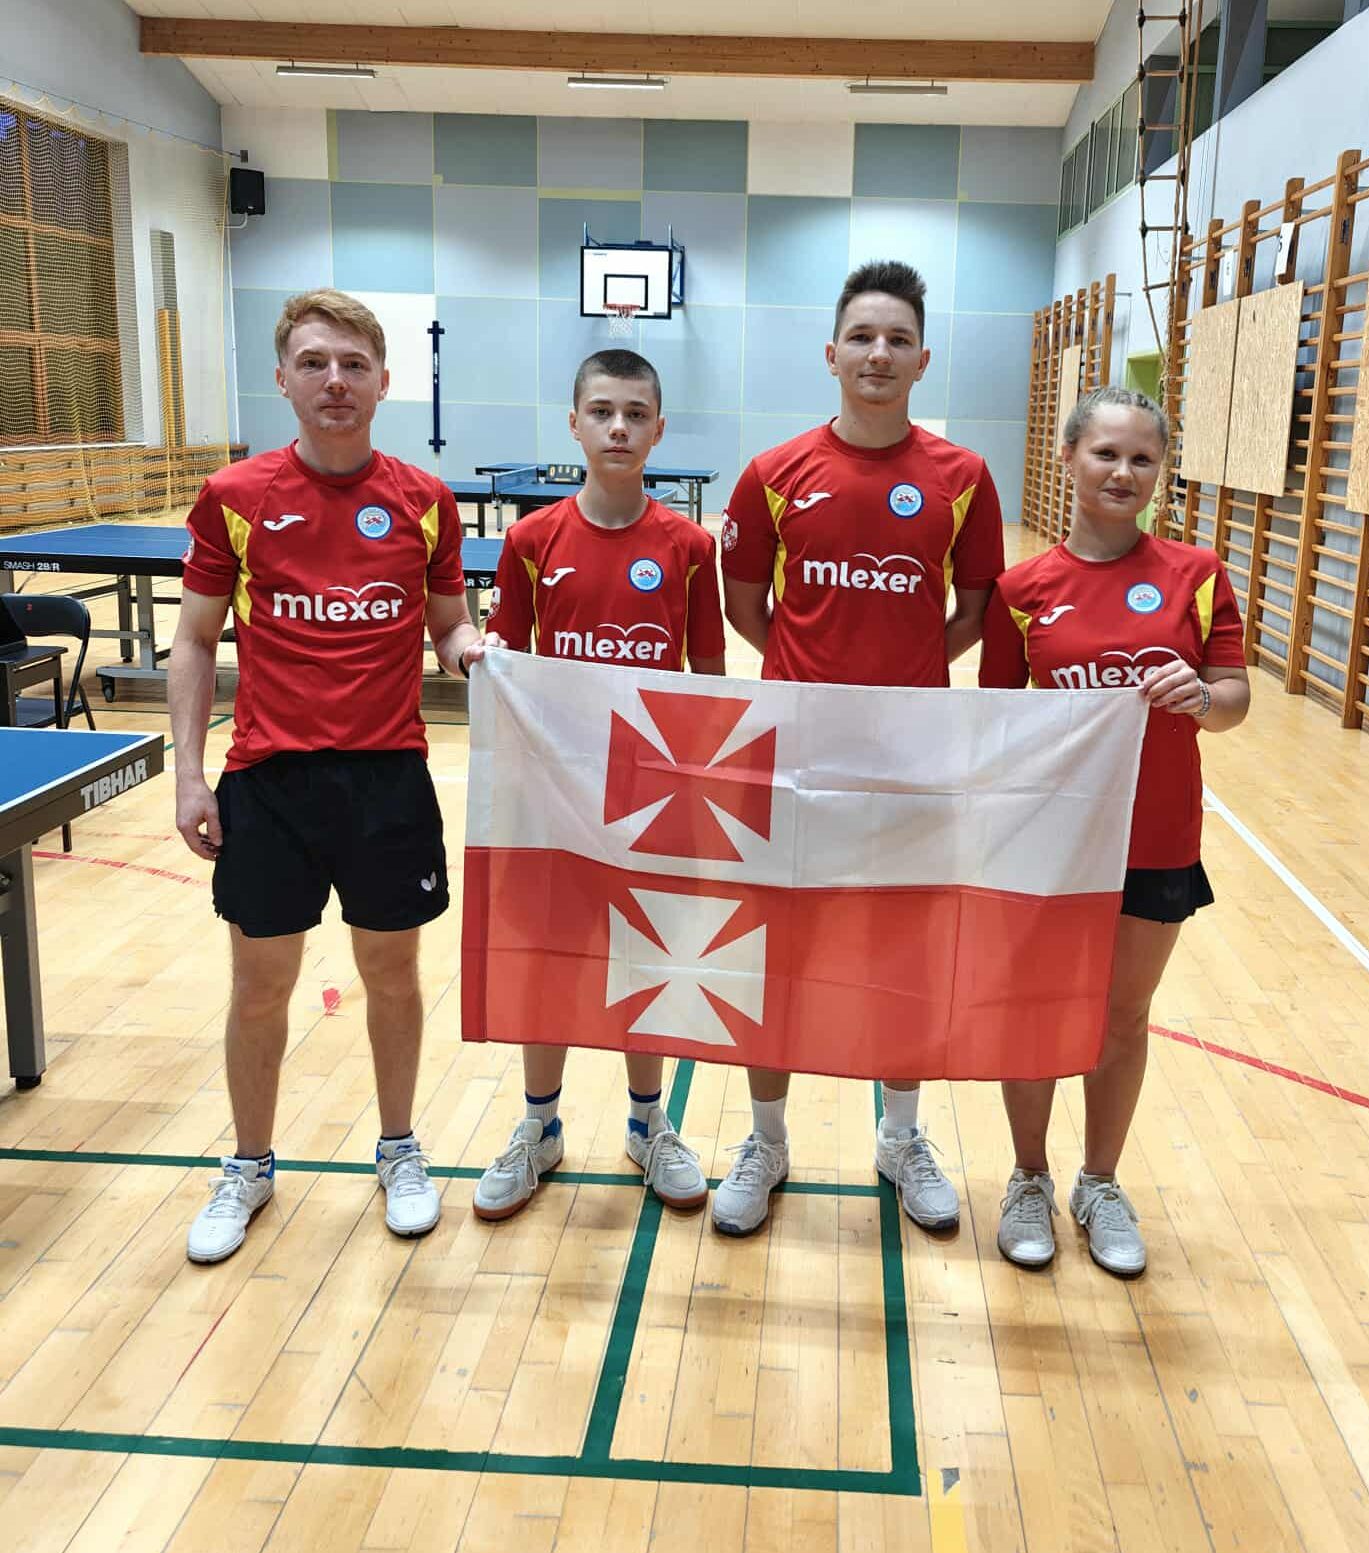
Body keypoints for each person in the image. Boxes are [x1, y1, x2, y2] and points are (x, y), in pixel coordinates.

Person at [170, 288, 490, 1265]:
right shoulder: (235, 498)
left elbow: (448, 625)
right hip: (269, 783)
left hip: (389, 780)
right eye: (314, 362)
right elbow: (194, 638)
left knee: (392, 974)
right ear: (283, 378)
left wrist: (474, 650)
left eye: (353, 364)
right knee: (259, 984)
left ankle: (398, 1149)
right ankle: (249, 1165)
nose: (335, 381)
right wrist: (188, 776)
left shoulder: (425, 501)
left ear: (385, 381)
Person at [716, 259, 1004, 1236]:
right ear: (831, 353)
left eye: (897, 340)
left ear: (922, 360)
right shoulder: (773, 474)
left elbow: (974, 608)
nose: (878, 353)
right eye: (862, 337)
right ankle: (766, 1139)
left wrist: (905, 679)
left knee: (901, 952)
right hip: (794, 755)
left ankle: (901, 1137)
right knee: (778, 953)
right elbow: (745, 605)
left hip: (914, 757)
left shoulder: (964, 477)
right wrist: (814, 684)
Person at [979, 385, 1251, 1277]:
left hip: (1156, 836)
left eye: (1142, 458)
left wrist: (1201, 697)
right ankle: (1028, 1177)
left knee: (1123, 1015)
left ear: (1160, 471)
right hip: (1048, 842)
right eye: (1105, 453)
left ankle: (1098, 1183)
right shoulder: (1022, 590)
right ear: (1068, 458)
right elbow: (995, 722)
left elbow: (1234, 697)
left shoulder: (1197, 575)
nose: (1123, 471)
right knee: (1035, 1010)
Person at [470, 348, 727, 1222]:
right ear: (574, 423)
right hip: (557, 798)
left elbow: (707, 682)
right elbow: (509, 661)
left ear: (659, 428)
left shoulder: (689, 547)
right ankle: (539, 1126)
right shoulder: (530, 542)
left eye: (636, 414)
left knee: (648, 958)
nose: (619, 428)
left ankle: (648, 1124)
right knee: (551, 958)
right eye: (603, 412)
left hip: (653, 800)